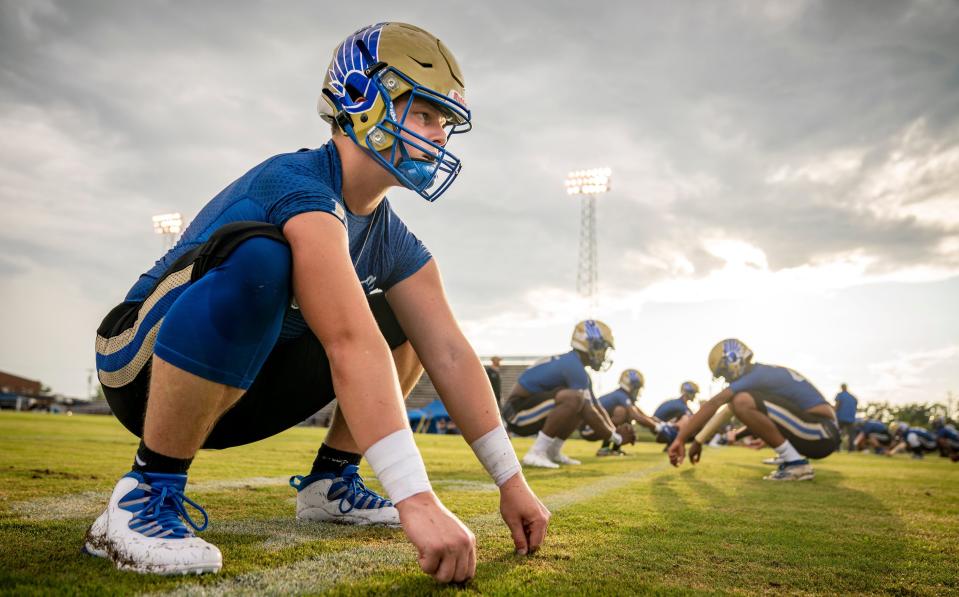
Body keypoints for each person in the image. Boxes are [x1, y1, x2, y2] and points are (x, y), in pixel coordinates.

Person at [86, 23, 549, 582]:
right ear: (360, 97)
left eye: (446, 122)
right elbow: (349, 342)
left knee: (403, 322)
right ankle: (144, 493)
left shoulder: (390, 236)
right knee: (264, 260)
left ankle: (331, 482)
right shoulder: (299, 184)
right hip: (139, 362)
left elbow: (449, 351)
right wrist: (417, 499)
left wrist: (511, 481)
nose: (440, 135)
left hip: (236, 388)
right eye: (425, 113)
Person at [667, 339, 840, 481]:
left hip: (822, 432)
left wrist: (680, 439)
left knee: (741, 401)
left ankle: (796, 463)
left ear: (734, 359)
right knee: (740, 402)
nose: (726, 378)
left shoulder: (758, 374)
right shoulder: (761, 375)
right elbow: (730, 410)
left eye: (724, 372)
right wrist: (698, 441)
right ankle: (791, 456)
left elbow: (716, 403)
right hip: (816, 431)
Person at [501, 320, 634, 468]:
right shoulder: (573, 366)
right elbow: (591, 412)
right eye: (603, 348)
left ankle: (553, 451)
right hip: (516, 414)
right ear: (591, 344)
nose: (603, 354)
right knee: (575, 399)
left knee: (580, 402)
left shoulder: (575, 366)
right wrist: (617, 439)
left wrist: (614, 432)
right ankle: (536, 453)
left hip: (529, 409)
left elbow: (597, 408)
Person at [580, 369, 660, 456]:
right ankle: (604, 448)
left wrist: (654, 421)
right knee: (622, 412)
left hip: (593, 427)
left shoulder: (622, 396)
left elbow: (641, 414)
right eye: (636, 387)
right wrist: (658, 427)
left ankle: (615, 449)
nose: (637, 391)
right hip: (588, 428)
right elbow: (636, 416)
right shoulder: (621, 396)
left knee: (624, 413)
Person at [833, 383, 859, 452]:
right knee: (851, 435)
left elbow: (837, 405)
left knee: (837, 433)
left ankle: (836, 448)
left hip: (841, 417)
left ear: (841, 388)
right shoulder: (853, 397)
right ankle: (851, 450)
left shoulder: (840, 395)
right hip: (851, 418)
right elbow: (856, 405)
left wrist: (833, 413)